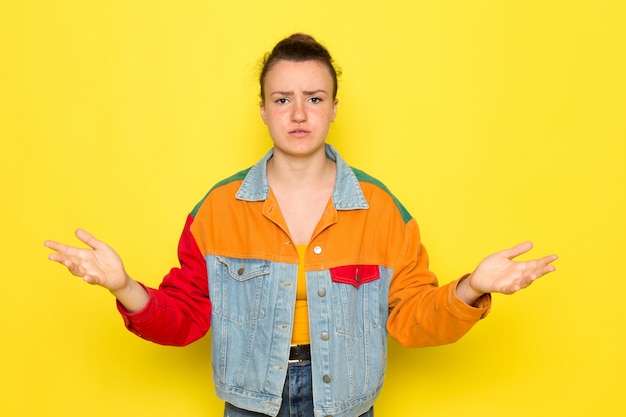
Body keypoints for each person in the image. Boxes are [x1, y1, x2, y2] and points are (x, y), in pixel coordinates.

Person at [44, 33, 558, 417]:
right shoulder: (217, 209)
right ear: (263, 111)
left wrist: (472, 288)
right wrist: (123, 286)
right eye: (282, 99)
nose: (298, 114)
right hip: (249, 403)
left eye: (314, 98)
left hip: (347, 402)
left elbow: (413, 320)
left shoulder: (382, 211)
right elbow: (184, 320)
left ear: (334, 109)